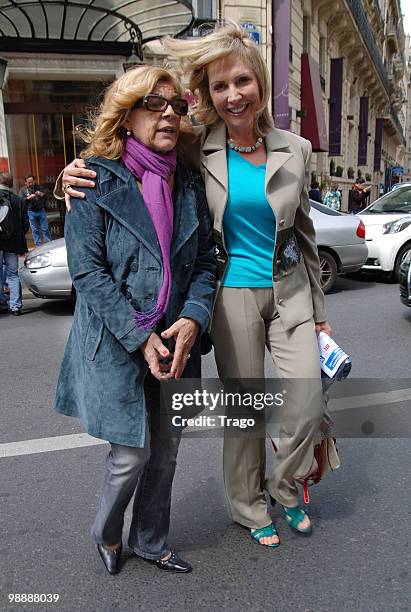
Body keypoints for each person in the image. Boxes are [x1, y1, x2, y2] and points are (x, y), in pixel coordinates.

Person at [57, 22, 332, 549]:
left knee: (305, 403)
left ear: (259, 84)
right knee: (243, 411)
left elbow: (304, 232)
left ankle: (284, 485)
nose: (233, 96)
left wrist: (319, 311)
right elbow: (122, 153)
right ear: (208, 96)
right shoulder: (196, 146)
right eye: (220, 87)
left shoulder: (295, 149)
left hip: (289, 287)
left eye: (243, 82)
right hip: (230, 295)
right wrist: (65, 177)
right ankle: (249, 507)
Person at [54, 65, 217, 575]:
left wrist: (193, 317)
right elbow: (87, 271)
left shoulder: (188, 179)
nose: (168, 112)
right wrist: (138, 334)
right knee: (131, 456)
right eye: (154, 102)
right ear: (126, 116)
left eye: (177, 105)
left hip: (176, 339)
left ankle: (150, 540)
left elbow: (208, 261)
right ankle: (106, 534)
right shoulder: (93, 178)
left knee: (166, 454)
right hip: (120, 338)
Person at [0, 172, 29, 315]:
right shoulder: (19, 200)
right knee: (12, 274)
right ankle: (15, 306)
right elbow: (25, 224)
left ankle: (1, 302)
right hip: (13, 243)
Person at [19, 174, 52, 247]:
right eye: (29, 182)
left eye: (32, 182)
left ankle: (49, 244)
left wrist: (41, 194)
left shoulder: (39, 187)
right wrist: (28, 198)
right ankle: (38, 246)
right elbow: (20, 201)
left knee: (45, 228)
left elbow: (48, 195)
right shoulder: (23, 190)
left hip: (41, 210)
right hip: (31, 212)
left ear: (34, 181)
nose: (31, 184)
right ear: (25, 182)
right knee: (35, 230)